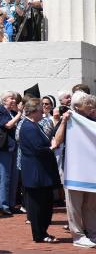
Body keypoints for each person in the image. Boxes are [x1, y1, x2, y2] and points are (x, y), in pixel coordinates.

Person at [53, 91, 96, 248]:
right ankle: (78, 235)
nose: (92, 109)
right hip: (74, 169)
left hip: (92, 170)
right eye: (88, 106)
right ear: (78, 107)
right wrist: (64, 122)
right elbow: (56, 141)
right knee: (75, 205)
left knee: (91, 205)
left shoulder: (92, 120)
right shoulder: (69, 119)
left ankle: (92, 233)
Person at [19, 98, 61, 243]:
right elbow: (38, 149)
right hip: (36, 171)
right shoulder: (28, 127)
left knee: (45, 203)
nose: (43, 112)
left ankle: (43, 232)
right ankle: (39, 234)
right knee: (37, 205)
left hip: (40, 170)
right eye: (40, 109)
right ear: (34, 111)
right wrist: (52, 147)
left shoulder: (34, 125)